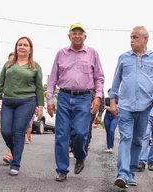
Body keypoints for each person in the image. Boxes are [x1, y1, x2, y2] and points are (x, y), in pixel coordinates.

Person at [109, 26, 153, 188]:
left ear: (145, 39)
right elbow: (116, 81)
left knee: (138, 140)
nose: (131, 40)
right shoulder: (124, 58)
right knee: (126, 138)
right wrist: (112, 101)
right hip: (125, 106)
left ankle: (130, 173)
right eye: (131, 37)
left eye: (135, 37)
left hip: (145, 107)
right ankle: (122, 174)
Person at [46, 22, 104, 182]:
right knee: (61, 135)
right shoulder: (61, 53)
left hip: (84, 98)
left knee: (80, 133)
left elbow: (99, 77)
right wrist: (50, 99)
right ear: (69, 35)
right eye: (74, 33)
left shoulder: (93, 53)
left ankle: (80, 156)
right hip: (63, 97)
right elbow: (53, 78)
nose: (77, 35)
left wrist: (98, 96)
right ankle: (62, 169)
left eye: (80, 33)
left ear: (85, 36)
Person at [0, 36, 44, 176]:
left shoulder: (35, 66)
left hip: (27, 101)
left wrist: (40, 106)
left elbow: (39, 88)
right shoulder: (8, 64)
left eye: (25, 45)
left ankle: (15, 163)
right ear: (16, 47)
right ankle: (16, 151)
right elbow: (0, 83)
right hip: (8, 102)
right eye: (19, 44)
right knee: (6, 132)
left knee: (19, 132)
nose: (22, 47)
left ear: (30, 49)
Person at [69, 93, 105, 157]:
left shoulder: (97, 85)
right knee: (75, 129)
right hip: (78, 108)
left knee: (87, 130)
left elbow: (101, 100)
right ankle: (73, 149)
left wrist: (100, 115)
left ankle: (83, 152)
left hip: (91, 111)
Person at [103, 88, 118, 153]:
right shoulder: (106, 99)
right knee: (108, 131)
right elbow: (103, 106)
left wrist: (108, 107)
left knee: (112, 130)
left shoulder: (117, 99)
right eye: (109, 92)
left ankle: (111, 147)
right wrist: (112, 108)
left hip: (114, 117)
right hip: (107, 116)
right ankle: (109, 147)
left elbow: (117, 108)